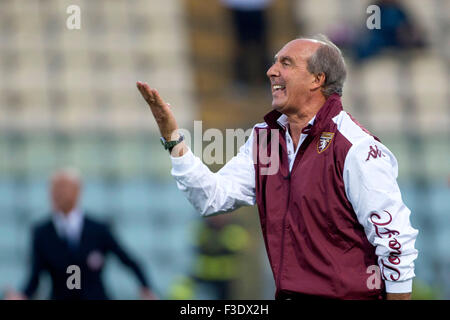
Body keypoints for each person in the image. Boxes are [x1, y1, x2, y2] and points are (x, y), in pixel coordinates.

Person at [136, 34, 418, 300]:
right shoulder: (266, 138)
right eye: (274, 62)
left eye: (286, 63)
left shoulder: (355, 148)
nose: (271, 71)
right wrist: (173, 139)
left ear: (317, 80)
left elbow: (395, 241)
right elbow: (212, 198)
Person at [5, 168, 156, 300]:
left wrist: (145, 286)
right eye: (55, 188)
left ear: (78, 191)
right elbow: (35, 275)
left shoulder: (98, 229)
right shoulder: (42, 233)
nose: (59, 193)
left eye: (64, 188)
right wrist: (22, 295)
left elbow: (127, 260)